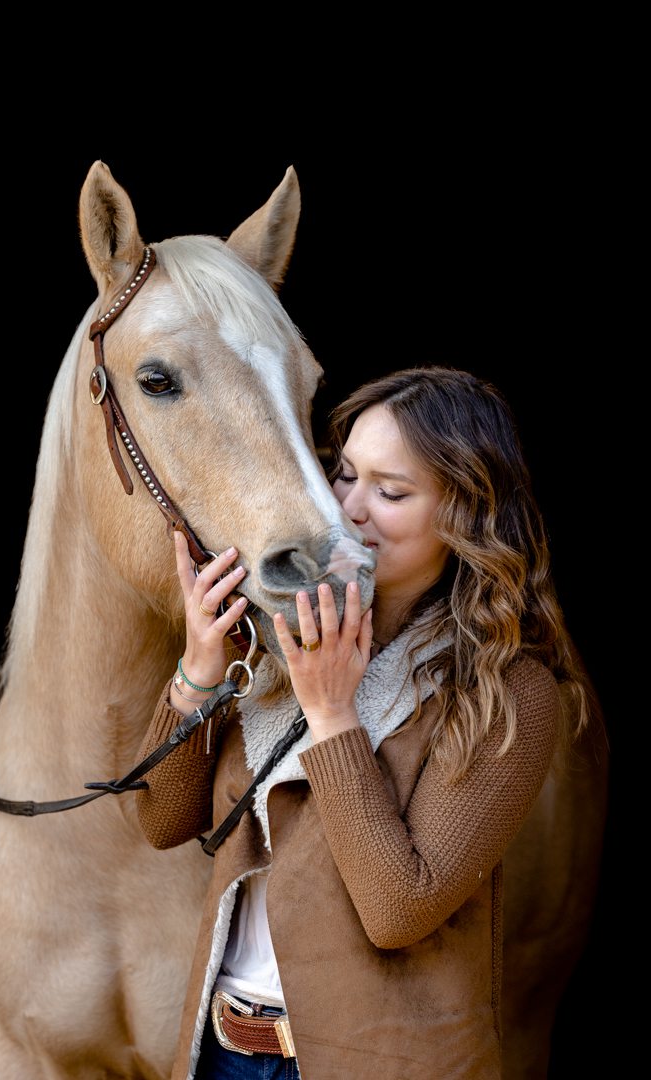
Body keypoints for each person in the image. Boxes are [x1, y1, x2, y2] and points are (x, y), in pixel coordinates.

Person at [134, 365, 590, 1079]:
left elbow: (397, 910)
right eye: (344, 475)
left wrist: (332, 714)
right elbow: (163, 821)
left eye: (391, 491)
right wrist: (199, 665)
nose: (347, 507)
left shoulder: (511, 693)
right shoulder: (285, 638)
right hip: (221, 1055)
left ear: (464, 515)